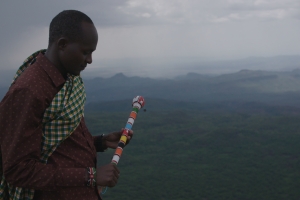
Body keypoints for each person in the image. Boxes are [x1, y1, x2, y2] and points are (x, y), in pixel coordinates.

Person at [0, 10, 132, 200]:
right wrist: (91, 176)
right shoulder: (29, 90)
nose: (90, 60)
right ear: (62, 44)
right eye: (85, 52)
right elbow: (17, 170)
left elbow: (58, 144)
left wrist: (102, 142)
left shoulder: (67, 79)